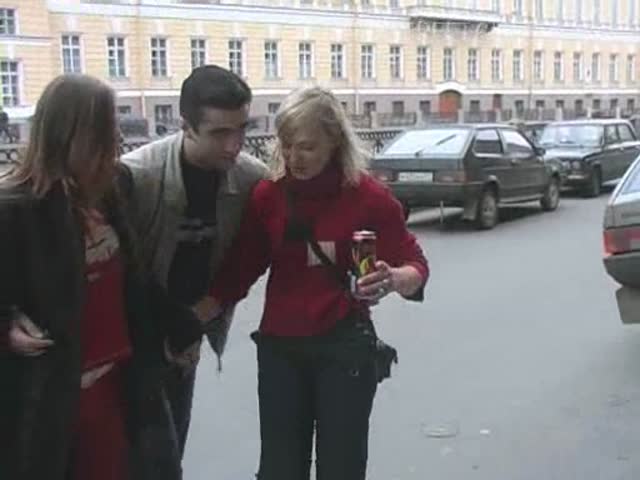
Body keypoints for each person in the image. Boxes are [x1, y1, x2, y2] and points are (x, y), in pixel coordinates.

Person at [205, 86, 430, 479]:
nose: (294, 157)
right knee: (279, 468)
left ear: (334, 141)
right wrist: (195, 316)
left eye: (307, 147)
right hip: (281, 351)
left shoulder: (368, 197)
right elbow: (240, 270)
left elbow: (417, 266)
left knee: (341, 468)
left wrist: (394, 278)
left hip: (344, 350)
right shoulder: (269, 196)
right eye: (287, 145)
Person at [0, 74, 197, 480]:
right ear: (73, 136)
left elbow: (133, 279)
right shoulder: (15, 209)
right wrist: (6, 326)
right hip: (53, 399)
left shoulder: (108, 192)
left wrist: (180, 325)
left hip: (119, 384)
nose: (118, 143)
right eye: (107, 132)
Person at [121, 64, 269, 457]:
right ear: (185, 127)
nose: (234, 145)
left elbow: (255, 254)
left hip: (186, 335)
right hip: (131, 336)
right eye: (219, 133)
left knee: (170, 453)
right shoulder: (138, 176)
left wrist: (198, 318)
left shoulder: (252, 179)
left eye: (242, 129)